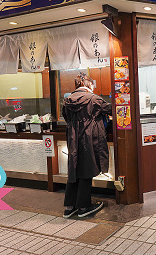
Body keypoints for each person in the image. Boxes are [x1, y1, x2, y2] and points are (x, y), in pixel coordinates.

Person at [62, 72, 109, 219]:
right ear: (88, 84)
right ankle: (83, 207)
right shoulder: (94, 99)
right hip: (89, 138)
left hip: (72, 137)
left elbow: (66, 117)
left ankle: (69, 207)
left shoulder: (67, 100)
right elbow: (114, 110)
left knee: (74, 169)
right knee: (87, 169)